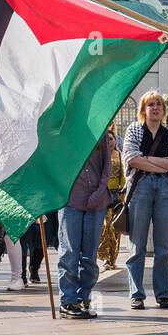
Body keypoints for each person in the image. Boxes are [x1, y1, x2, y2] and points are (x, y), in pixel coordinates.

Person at [122, 91, 168, 310]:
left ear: (163, 110)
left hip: (166, 188)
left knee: (164, 247)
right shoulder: (134, 129)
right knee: (137, 246)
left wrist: (146, 160)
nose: (155, 108)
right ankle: (136, 294)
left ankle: (162, 294)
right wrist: (160, 163)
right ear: (143, 109)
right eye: (150, 105)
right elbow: (130, 159)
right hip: (141, 187)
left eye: (158, 104)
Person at [57, 126, 113, 319]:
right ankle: (68, 300)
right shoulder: (62, 132)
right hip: (70, 199)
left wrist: (98, 193)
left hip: (96, 201)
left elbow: (107, 167)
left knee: (90, 255)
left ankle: (84, 296)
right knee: (69, 252)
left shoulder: (99, 128)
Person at [99, 122, 126, 271]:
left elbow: (124, 174)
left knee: (116, 228)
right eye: (106, 139)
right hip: (103, 194)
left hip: (117, 195)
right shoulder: (100, 156)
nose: (109, 142)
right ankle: (104, 258)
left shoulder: (120, 155)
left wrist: (123, 191)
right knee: (105, 227)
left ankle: (112, 259)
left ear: (115, 141)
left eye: (111, 139)